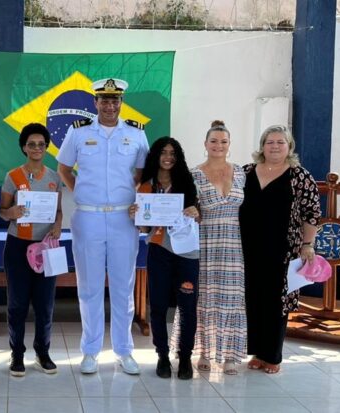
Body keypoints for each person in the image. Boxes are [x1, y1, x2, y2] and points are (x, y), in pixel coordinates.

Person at [57, 78, 149, 375]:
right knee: (89, 287)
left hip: (124, 218)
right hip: (89, 217)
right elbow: (63, 168)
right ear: (95, 102)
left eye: (115, 100)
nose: (110, 106)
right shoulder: (79, 132)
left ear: (121, 102)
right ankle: (90, 351)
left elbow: (142, 173)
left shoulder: (136, 133)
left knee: (123, 287)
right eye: (104, 100)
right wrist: (81, 191)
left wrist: (128, 193)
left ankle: (124, 350)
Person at [240, 125, 321, 374]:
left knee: (276, 302)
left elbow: (312, 214)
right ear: (262, 146)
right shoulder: (246, 172)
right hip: (247, 248)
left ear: (289, 146)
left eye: (280, 142)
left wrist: (307, 244)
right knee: (252, 299)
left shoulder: (300, 176)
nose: (274, 146)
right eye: (270, 142)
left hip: (284, 249)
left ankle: (272, 356)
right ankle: (257, 352)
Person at [129, 137, 199, 380]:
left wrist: (195, 211)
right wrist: (135, 216)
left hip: (187, 253)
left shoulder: (187, 182)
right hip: (159, 251)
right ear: (155, 156)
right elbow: (143, 229)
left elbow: (198, 216)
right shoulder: (146, 187)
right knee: (157, 306)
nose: (168, 157)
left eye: (172, 153)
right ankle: (162, 356)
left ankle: (185, 357)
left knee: (188, 307)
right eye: (163, 152)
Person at [0, 123, 63, 377]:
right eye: (31, 144)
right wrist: (11, 212)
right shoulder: (13, 176)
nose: (37, 148)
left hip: (46, 246)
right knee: (17, 304)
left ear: (46, 148)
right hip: (18, 246)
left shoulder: (54, 177)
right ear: (24, 147)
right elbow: (2, 212)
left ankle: (42, 353)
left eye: (41, 144)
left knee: (45, 304)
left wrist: (57, 225)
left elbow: (58, 211)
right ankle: (17, 353)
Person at [192, 120, 247, 375]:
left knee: (232, 298)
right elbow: (186, 207)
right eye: (213, 141)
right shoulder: (193, 174)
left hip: (234, 242)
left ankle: (230, 356)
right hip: (205, 240)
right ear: (205, 144)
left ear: (229, 144)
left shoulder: (241, 173)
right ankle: (204, 352)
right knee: (204, 295)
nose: (218, 145)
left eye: (223, 141)